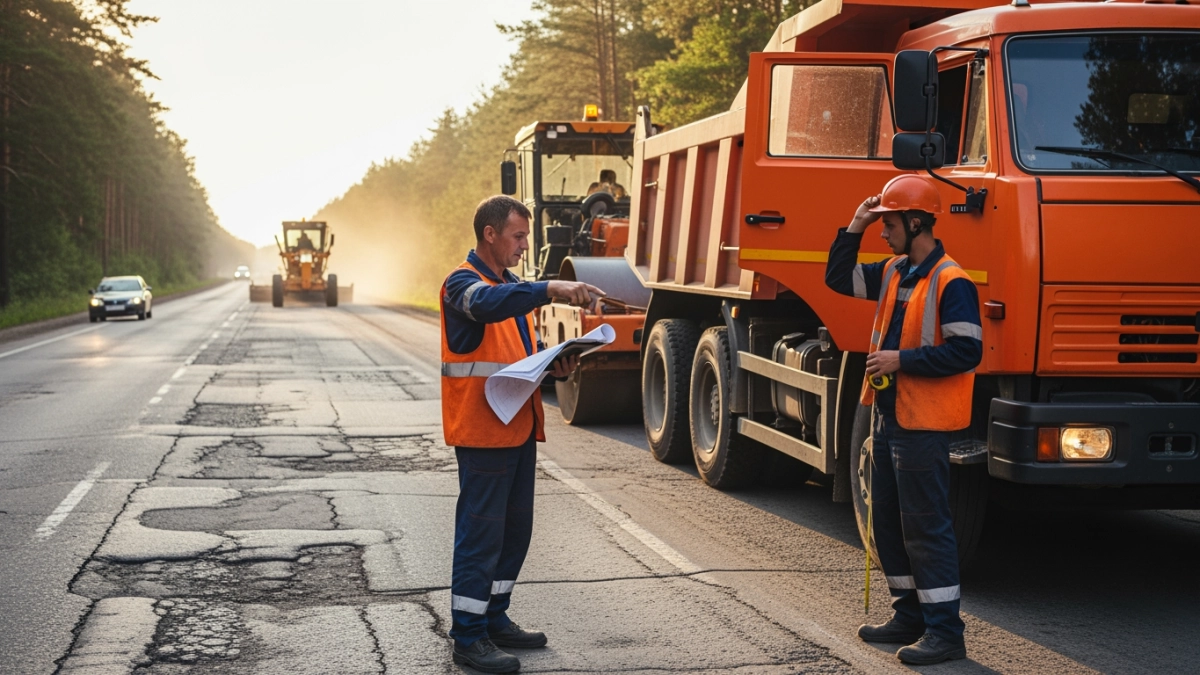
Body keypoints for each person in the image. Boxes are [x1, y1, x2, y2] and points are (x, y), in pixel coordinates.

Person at [441, 194, 605, 674]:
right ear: (489, 234)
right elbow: (484, 307)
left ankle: (493, 618)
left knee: (514, 533)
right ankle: (468, 638)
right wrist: (549, 286)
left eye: (526, 236)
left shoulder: (510, 285)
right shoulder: (463, 284)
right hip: (482, 430)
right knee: (481, 536)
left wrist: (556, 363)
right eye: (517, 235)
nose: (523, 245)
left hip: (516, 427)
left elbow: (518, 355)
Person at [824, 174, 982, 666]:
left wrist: (901, 360)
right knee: (887, 521)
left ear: (917, 222)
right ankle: (909, 615)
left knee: (926, 528)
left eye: (888, 222)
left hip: (923, 425)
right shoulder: (894, 271)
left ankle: (945, 633)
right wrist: (855, 223)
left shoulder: (952, 280)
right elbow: (837, 278)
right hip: (887, 417)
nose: (882, 230)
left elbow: (967, 350)